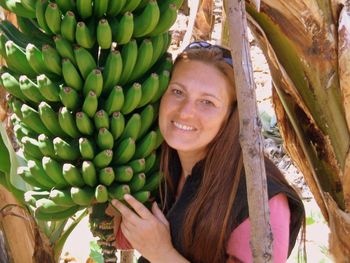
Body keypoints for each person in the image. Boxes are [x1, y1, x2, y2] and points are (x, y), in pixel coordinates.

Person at [110, 41, 305, 263]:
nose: (185, 112)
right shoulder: (161, 159)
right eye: (177, 91)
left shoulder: (262, 200)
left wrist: (161, 254)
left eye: (207, 102)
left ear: (231, 116)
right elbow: (129, 236)